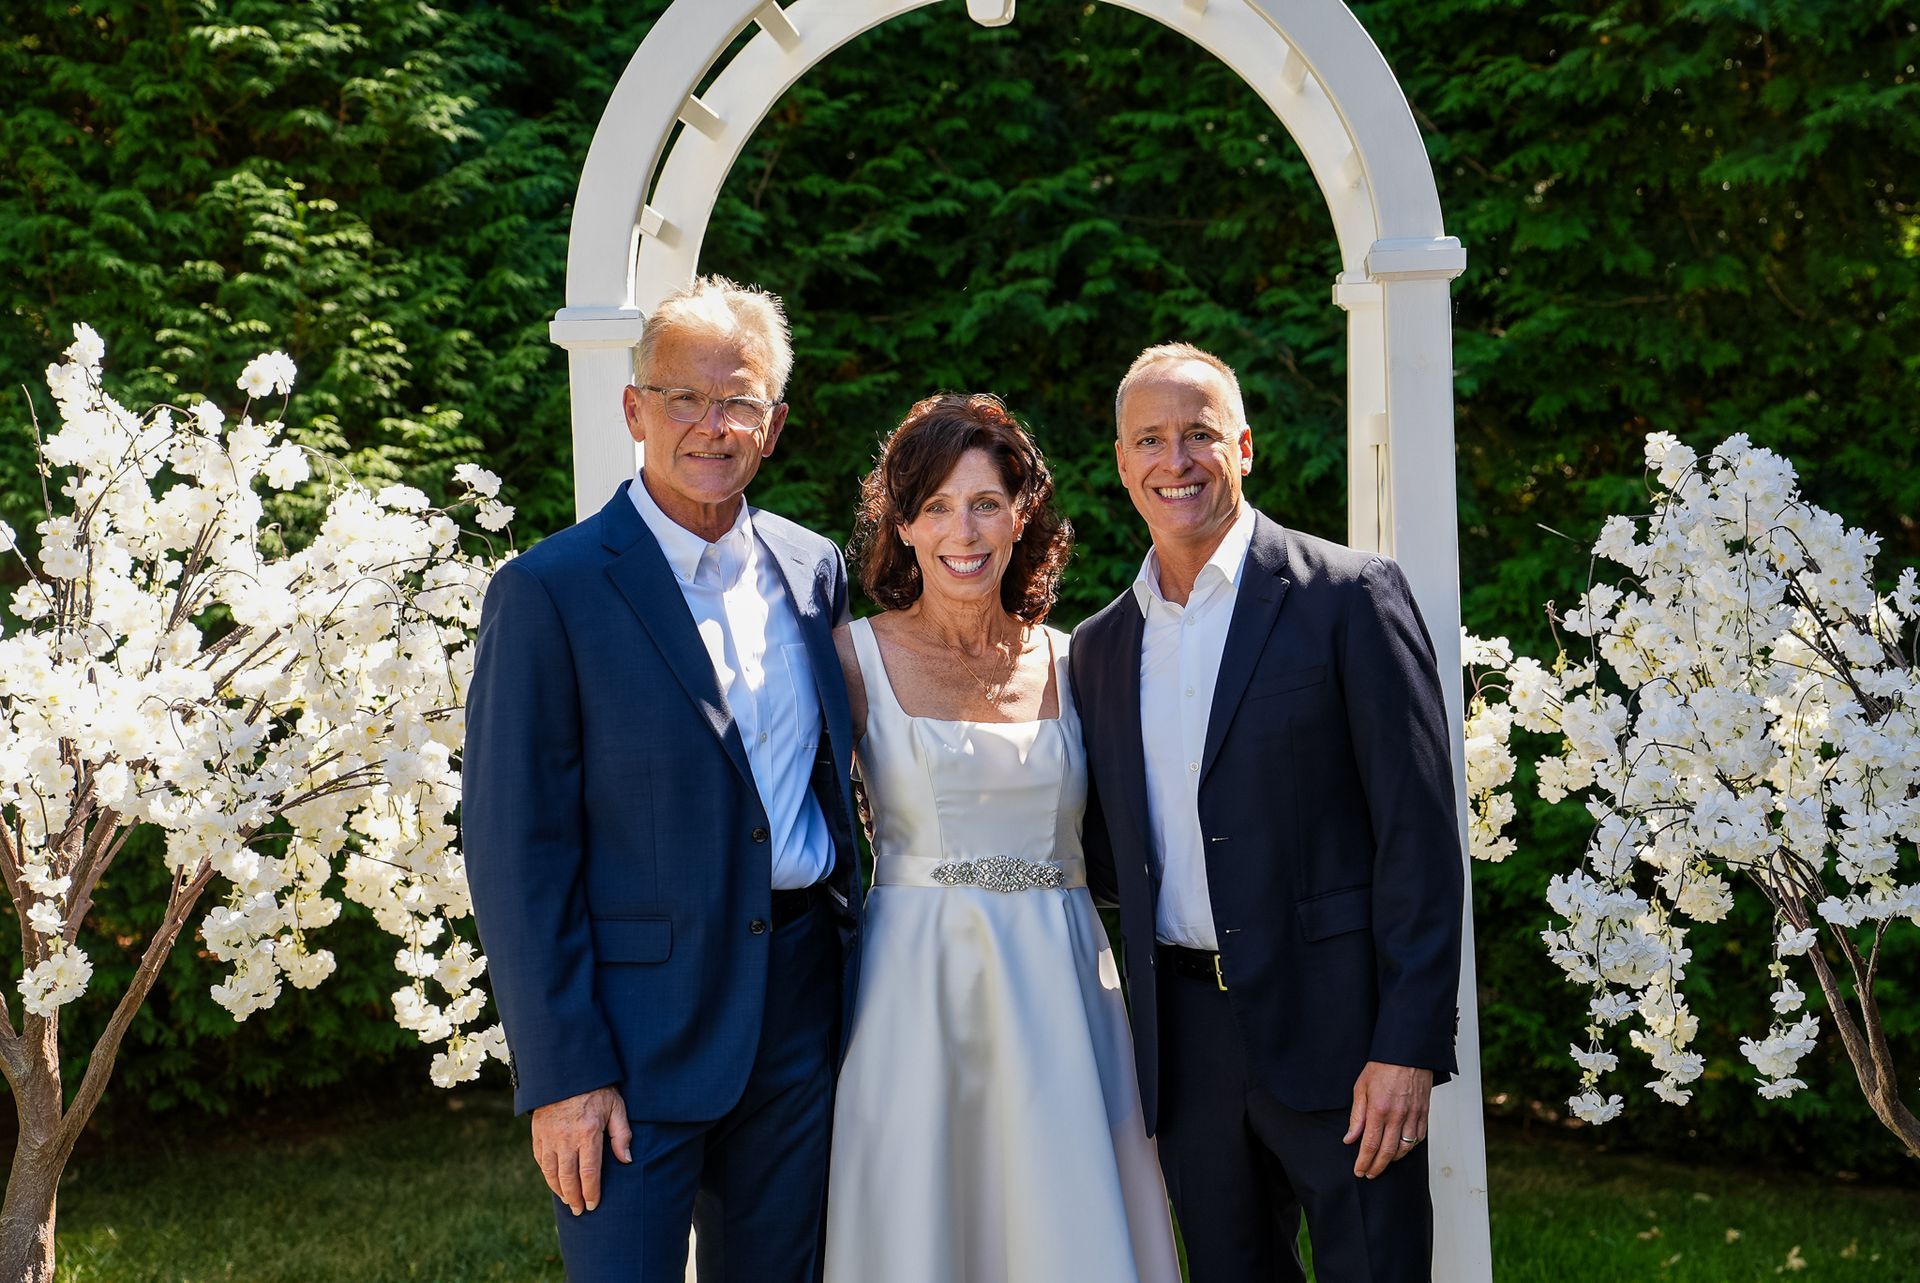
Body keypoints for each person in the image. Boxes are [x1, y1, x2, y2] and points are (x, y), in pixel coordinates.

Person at [463, 276, 862, 1282]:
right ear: (635, 407)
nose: (712, 425)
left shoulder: (815, 571)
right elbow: (517, 850)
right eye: (685, 397)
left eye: (740, 402)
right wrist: (563, 1074)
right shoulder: (549, 590)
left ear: (772, 425)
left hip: (801, 1014)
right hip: (630, 1042)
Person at [1068, 343, 1465, 1283]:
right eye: (1152, 440)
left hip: (1343, 1038)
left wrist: (1405, 1046)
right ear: (1122, 464)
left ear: (1243, 446)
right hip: (1188, 1049)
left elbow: (1419, 836)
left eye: (1200, 434)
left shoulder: (1349, 596)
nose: (1178, 461)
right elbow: (1111, 850)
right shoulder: (1098, 647)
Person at [822, 394, 1180, 1283]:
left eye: (986, 502)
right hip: (916, 987)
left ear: (1023, 516)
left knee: (1065, 1218)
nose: (963, 529)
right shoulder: (849, 659)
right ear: (902, 525)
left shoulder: (1078, 658)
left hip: (1063, 983)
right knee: (924, 1219)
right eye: (937, 505)